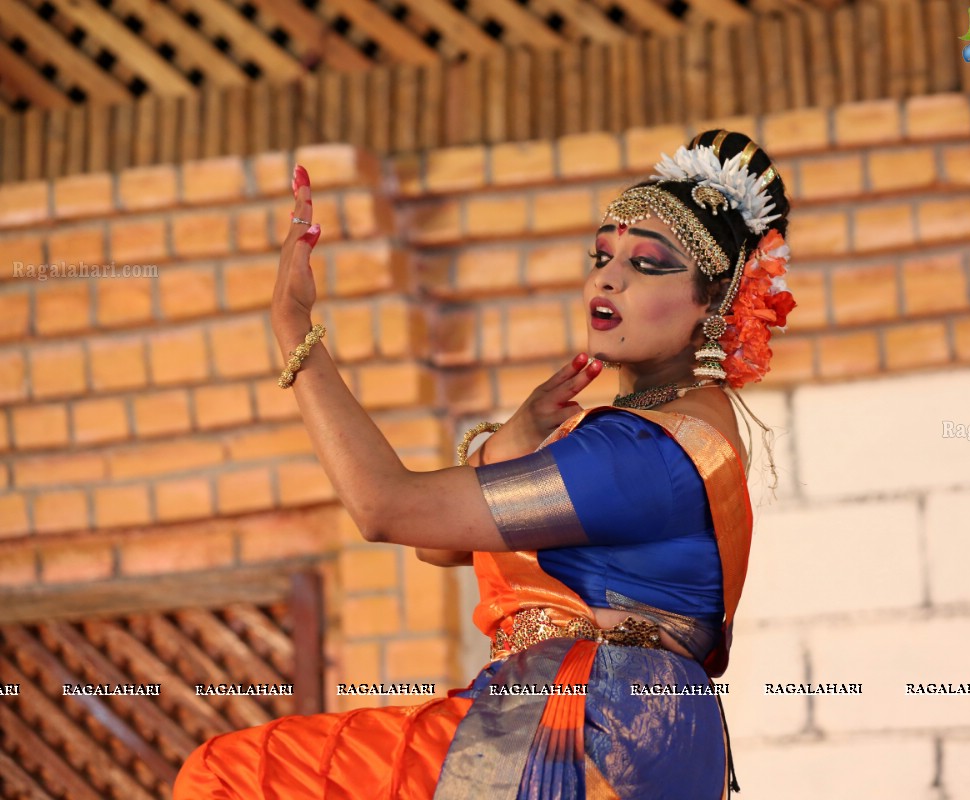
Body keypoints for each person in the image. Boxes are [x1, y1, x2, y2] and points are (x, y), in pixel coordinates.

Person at [173, 129, 796, 799]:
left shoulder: (641, 453)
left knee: (230, 775)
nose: (607, 276)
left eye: (647, 264)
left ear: (716, 305)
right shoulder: (656, 435)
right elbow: (439, 546)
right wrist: (514, 439)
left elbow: (386, 509)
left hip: (590, 728)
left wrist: (293, 326)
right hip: (625, 724)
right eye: (600, 255)